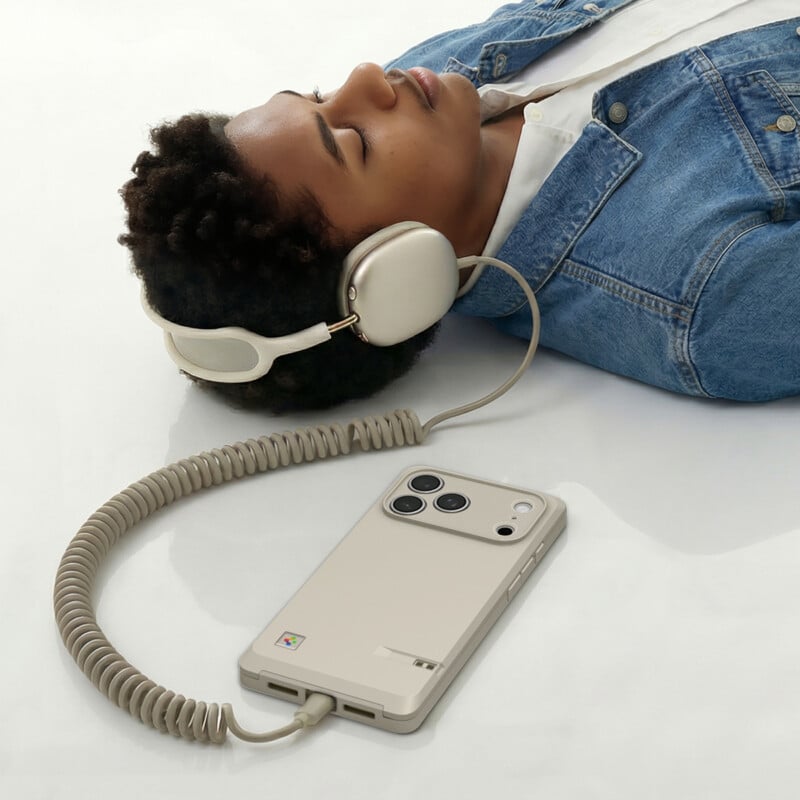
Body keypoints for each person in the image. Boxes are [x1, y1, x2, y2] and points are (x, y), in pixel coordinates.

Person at [120, 0, 800, 411]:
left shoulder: (436, 79)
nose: (366, 78)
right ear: (395, 274)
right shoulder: (711, 302)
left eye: (320, 94)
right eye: (352, 141)